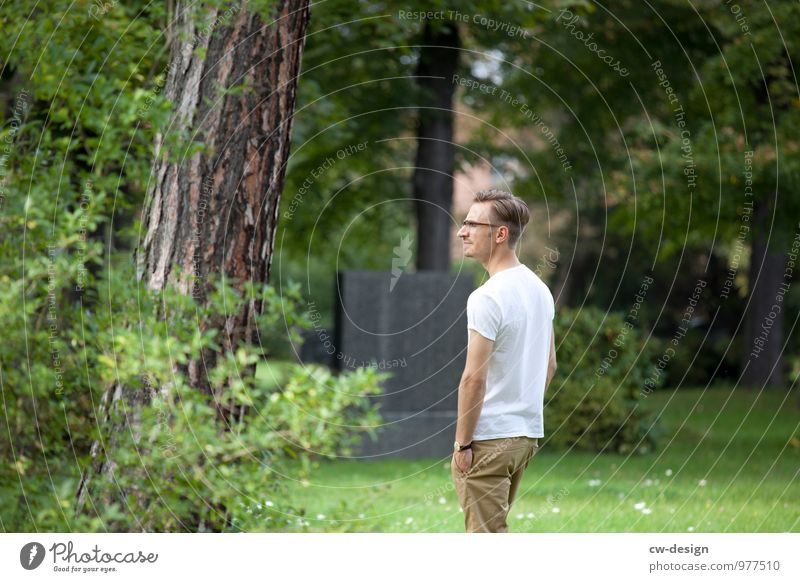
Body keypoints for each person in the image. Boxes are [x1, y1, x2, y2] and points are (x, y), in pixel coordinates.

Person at [451, 188, 557, 533]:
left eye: (472, 224)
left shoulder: (486, 297)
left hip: (488, 440)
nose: (461, 232)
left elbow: (473, 380)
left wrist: (463, 444)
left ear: (500, 234)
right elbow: (550, 366)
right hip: (523, 437)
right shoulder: (540, 290)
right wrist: (522, 411)